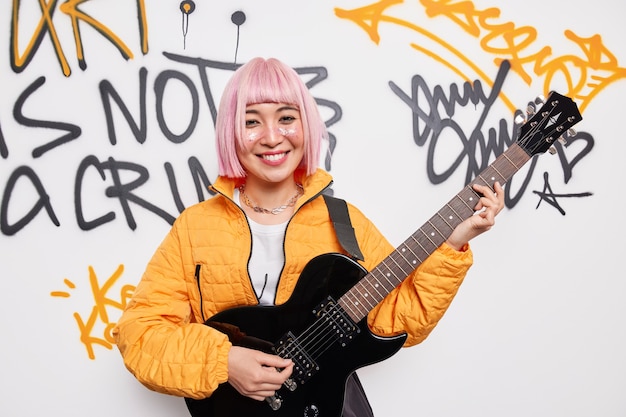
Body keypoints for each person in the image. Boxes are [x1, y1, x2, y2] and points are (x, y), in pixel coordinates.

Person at [113, 57, 505, 415]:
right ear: (231, 132)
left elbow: (400, 322)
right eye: (251, 121)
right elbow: (139, 335)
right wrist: (224, 361)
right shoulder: (195, 227)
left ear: (306, 126)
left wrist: (453, 244)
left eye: (286, 118)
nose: (271, 137)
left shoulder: (344, 222)